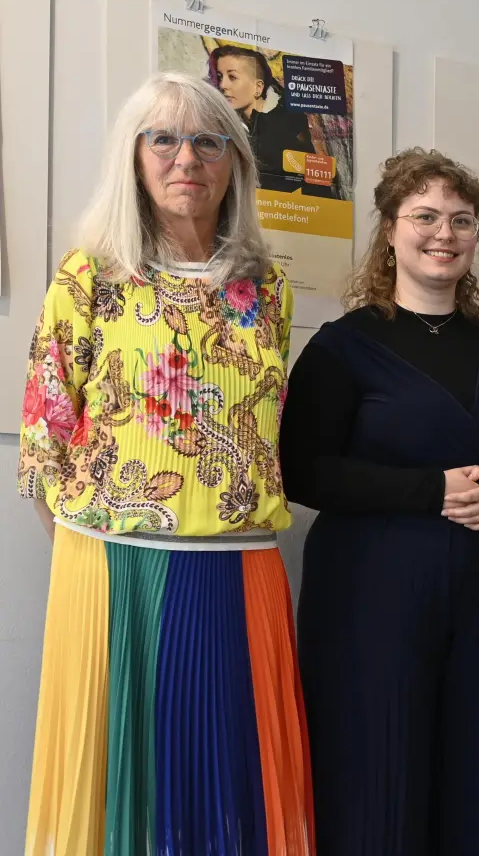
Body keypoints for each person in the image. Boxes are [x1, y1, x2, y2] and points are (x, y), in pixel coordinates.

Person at [17, 72, 311, 855]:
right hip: (114, 569)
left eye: (210, 141)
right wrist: (96, 549)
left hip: (241, 568)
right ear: (135, 158)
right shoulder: (90, 278)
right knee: (122, 789)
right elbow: (44, 440)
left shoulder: (268, 291)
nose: (188, 158)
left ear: (235, 165)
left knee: (229, 781)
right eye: (165, 139)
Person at [280, 147, 479, 854]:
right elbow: (303, 473)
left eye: (461, 220)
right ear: (390, 229)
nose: (444, 233)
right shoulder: (343, 348)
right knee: (376, 777)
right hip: (370, 602)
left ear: (476, 235)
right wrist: (429, 489)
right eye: (426, 216)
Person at [208, 45, 329, 197]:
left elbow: (316, 184)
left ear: (258, 87)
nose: (223, 85)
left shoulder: (289, 123)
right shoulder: (225, 124)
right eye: (220, 77)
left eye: (232, 77)